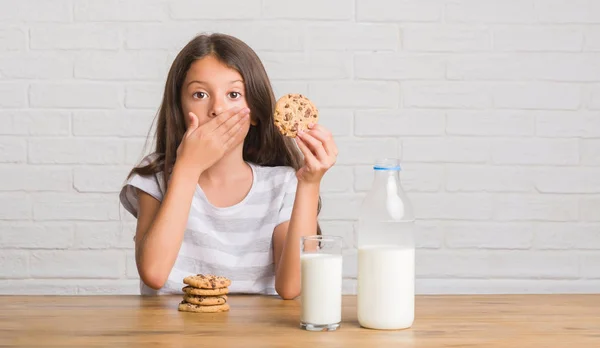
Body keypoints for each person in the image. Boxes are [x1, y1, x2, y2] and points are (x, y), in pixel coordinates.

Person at [119, 33, 338, 299]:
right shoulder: (155, 175)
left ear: (255, 111)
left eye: (233, 94)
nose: (217, 108)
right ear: (179, 106)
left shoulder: (282, 184)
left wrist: (310, 183)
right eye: (200, 94)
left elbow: (291, 288)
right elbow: (154, 274)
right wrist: (188, 168)